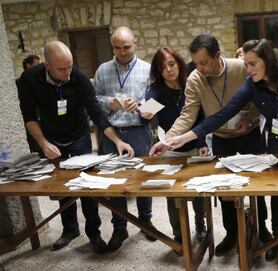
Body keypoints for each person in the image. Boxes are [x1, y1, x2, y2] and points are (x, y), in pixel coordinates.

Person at [160, 39, 278, 261]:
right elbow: (224, 113)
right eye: (246, 64)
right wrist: (184, 137)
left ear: (267, 61)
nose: (247, 70)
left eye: (252, 64)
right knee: (277, 190)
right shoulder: (252, 84)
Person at [149, 34, 271, 257]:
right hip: (221, 138)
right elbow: (188, 115)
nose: (199, 68)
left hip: (249, 134)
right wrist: (168, 140)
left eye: (203, 63)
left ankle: (262, 228)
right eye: (196, 63)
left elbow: (260, 100)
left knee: (257, 185)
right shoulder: (195, 79)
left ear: (218, 56)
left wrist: (251, 119)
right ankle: (231, 233)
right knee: (223, 189)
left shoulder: (239, 68)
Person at [17, 41, 134, 254]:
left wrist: (118, 141)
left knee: (86, 185)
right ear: (47, 66)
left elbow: (97, 114)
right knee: (61, 188)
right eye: (62, 68)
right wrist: (43, 143)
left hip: (79, 135)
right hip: (50, 137)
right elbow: (29, 116)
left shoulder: (78, 78)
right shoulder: (29, 79)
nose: (67, 72)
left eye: (70, 66)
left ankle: (93, 232)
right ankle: (70, 229)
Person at [94, 26, 155, 252]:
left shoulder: (148, 70)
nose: (122, 52)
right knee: (114, 182)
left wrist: (140, 106)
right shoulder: (102, 70)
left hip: (139, 130)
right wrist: (108, 102)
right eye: (117, 48)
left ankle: (146, 222)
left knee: (143, 179)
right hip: (111, 133)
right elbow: (95, 98)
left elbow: (156, 102)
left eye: (126, 47)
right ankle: (120, 226)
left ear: (135, 43)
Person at [146, 47, 207, 244]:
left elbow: (202, 117)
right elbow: (145, 111)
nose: (169, 70)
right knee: (172, 195)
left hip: (195, 144)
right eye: (163, 67)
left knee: (199, 191)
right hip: (171, 149)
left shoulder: (191, 84)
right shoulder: (157, 92)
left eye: (172, 64)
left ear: (179, 63)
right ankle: (179, 235)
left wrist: (202, 141)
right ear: (158, 71)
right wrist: (144, 112)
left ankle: (200, 225)